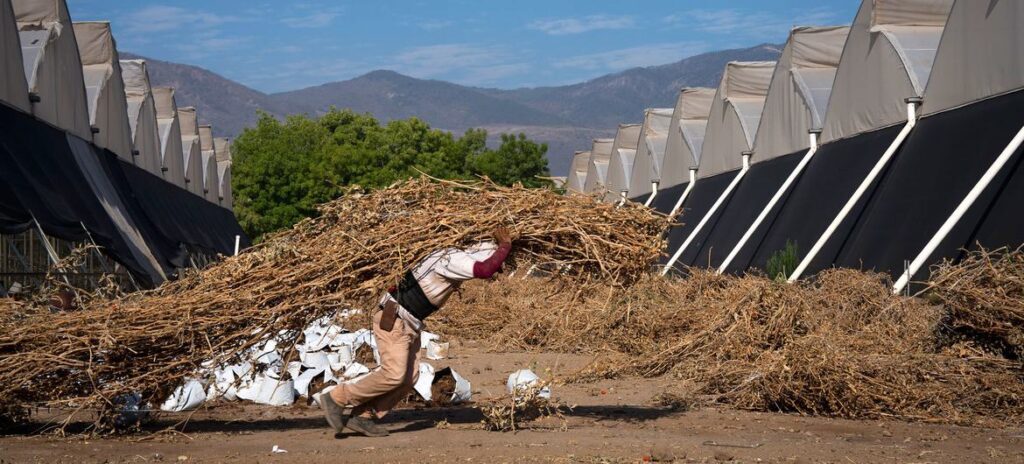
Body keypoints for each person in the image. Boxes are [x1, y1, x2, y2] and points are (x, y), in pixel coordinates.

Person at [321, 226, 514, 437]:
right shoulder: (449, 257)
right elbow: (484, 269)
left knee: (408, 379)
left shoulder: (450, 255)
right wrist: (505, 245)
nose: (498, 267)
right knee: (393, 374)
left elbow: (486, 264)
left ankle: (364, 415)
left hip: (409, 323)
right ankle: (337, 398)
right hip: (394, 318)